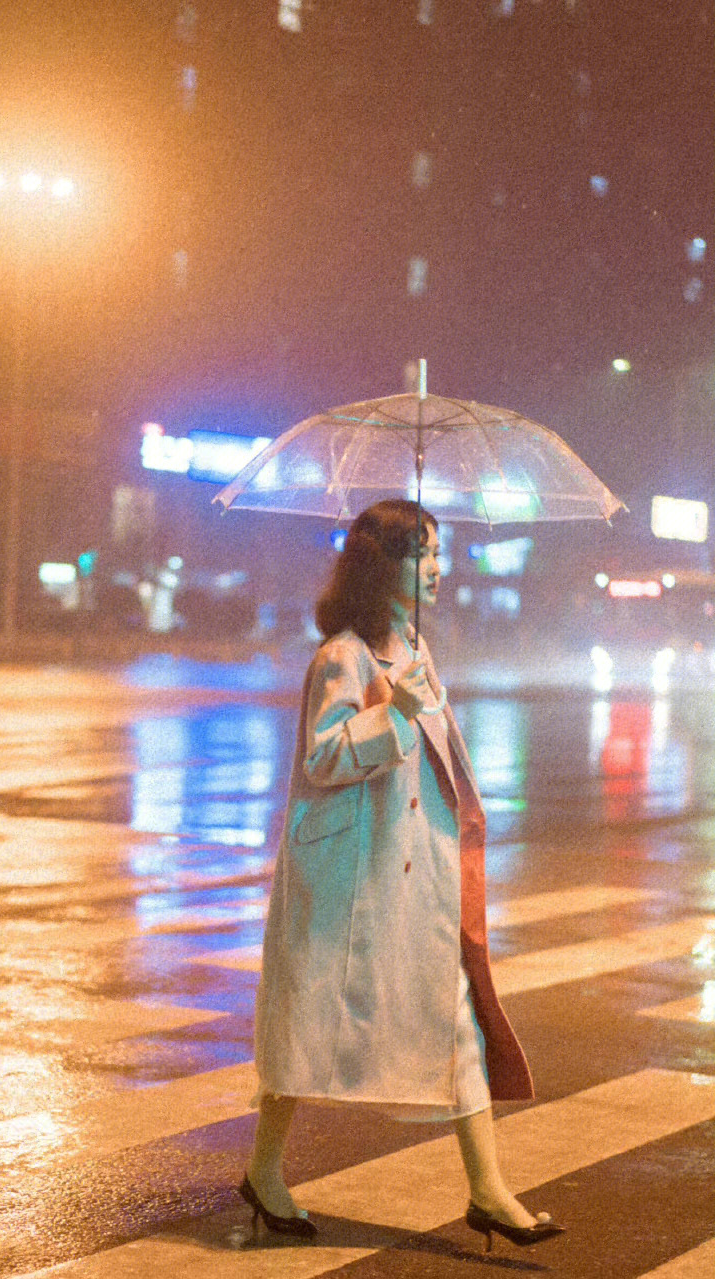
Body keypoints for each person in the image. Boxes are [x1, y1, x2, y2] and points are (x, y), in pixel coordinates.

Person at [239, 498, 564, 1252]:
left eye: (439, 553)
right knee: (306, 1029)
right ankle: (263, 1170)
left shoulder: (412, 646)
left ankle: (487, 1188)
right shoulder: (341, 656)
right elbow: (322, 757)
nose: (441, 570)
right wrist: (396, 712)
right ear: (385, 566)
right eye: (425, 555)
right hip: (347, 886)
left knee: (453, 1019)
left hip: (409, 878)